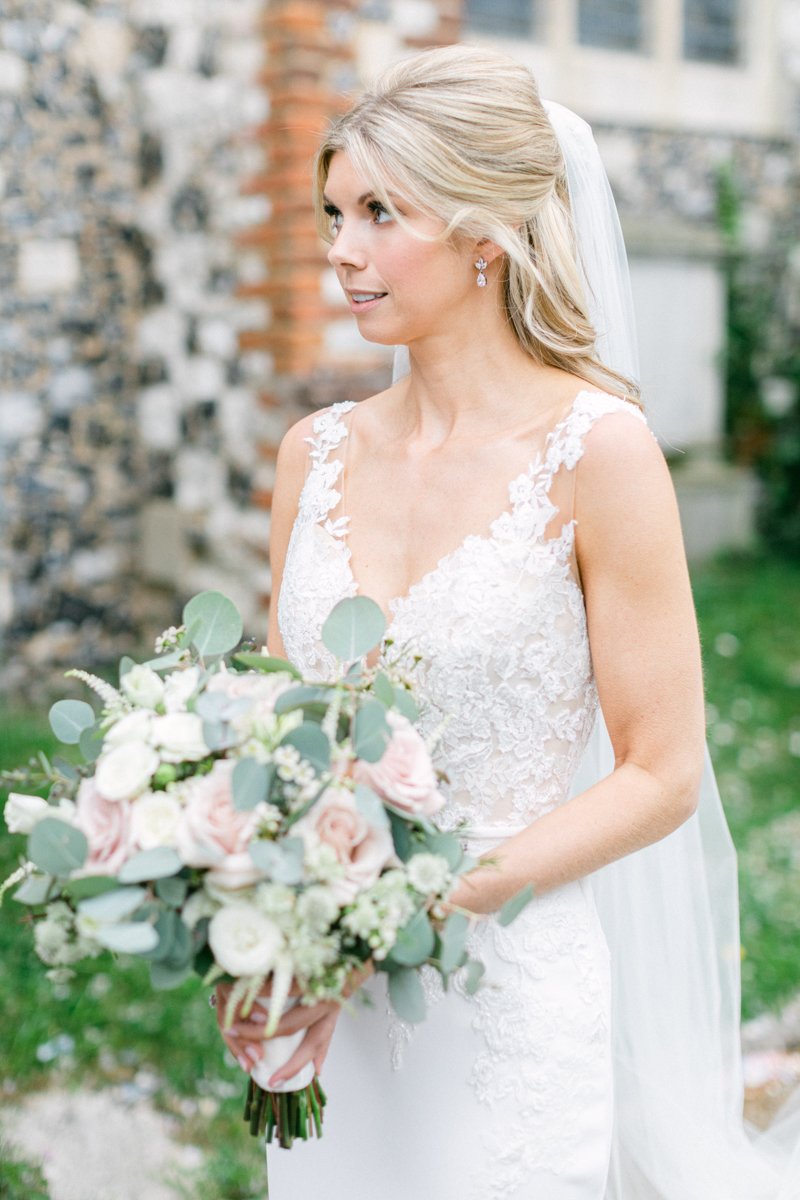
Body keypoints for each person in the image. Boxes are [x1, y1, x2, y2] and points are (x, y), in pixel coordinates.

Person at [218, 44, 800, 1198]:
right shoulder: (312, 454)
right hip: (330, 993)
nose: (340, 250)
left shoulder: (599, 454)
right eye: (333, 210)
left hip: (504, 999)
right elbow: (276, 726)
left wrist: (433, 896)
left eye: (382, 211)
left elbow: (659, 772)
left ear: (486, 233)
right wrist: (247, 888)